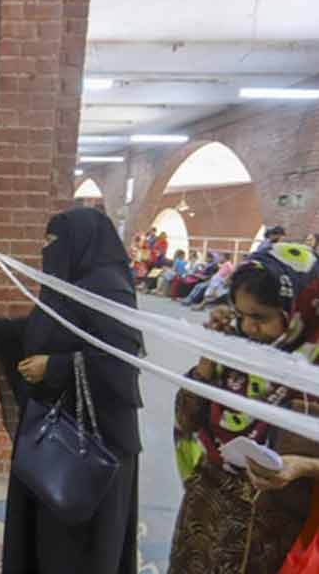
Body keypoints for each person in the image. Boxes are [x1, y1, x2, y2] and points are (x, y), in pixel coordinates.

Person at [0, 207, 143, 573]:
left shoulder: (109, 291)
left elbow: (119, 363)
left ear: (81, 242)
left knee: (78, 550)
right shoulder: (66, 289)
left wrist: (56, 367)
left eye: (53, 240)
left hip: (94, 444)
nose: (46, 248)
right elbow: (40, 332)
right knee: (47, 541)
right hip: (57, 440)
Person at [170, 242, 319, 573]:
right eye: (240, 315)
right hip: (205, 521)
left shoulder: (313, 375)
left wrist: (303, 467)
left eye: (261, 318)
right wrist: (210, 353)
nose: (249, 327)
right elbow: (186, 417)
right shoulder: (237, 352)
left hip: (274, 534)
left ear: (300, 309)